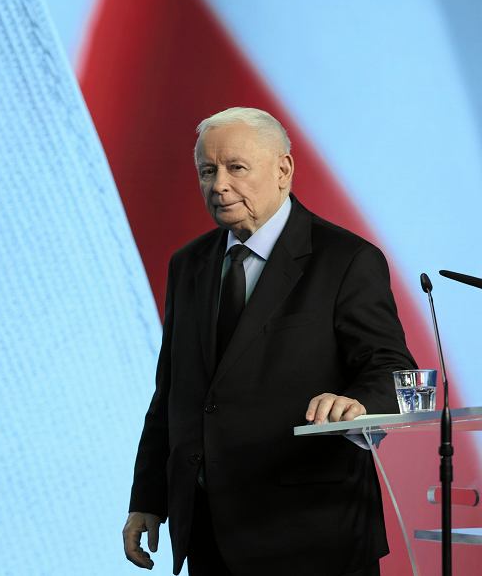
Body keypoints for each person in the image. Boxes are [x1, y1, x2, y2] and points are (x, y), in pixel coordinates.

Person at [122, 108, 416, 575]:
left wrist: (358, 403)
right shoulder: (188, 265)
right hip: (208, 533)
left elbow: (394, 370)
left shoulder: (345, 259)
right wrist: (148, 498)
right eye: (207, 171)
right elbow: (172, 393)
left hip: (313, 533)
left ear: (283, 170)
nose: (219, 185)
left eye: (236, 167)